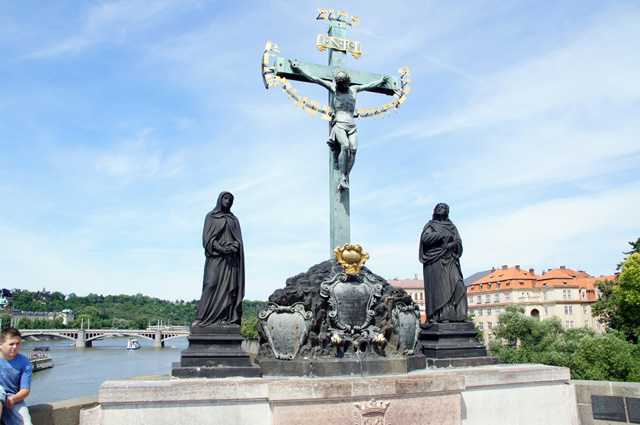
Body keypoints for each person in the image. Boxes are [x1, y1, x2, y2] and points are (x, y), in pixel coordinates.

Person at [290, 60, 389, 190]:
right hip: (340, 123)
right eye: (340, 83)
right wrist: (299, 69)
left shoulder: (354, 89)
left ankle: (345, 176)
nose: (342, 85)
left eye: (344, 82)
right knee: (345, 146)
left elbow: (369, 85)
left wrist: (380, 81)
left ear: (347, 81)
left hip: (351, 124)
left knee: (353, 150)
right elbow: (315, 78)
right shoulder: (334, 88)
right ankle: (341, 176)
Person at [192, 191, 245, 328]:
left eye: (230, 200)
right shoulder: (211, 217)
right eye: (225, 198)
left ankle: (225, 319)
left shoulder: (234, 219)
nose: (228, 201)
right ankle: (200, 319)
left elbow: (238, 240)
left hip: (230, 261)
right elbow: (207, 239)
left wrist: (234, 246)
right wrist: (221, 249)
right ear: (220, 200)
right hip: (216, 257)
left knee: (228, 290)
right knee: (210, 284)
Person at [419, 203, 468, 323]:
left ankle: (460, 316)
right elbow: (425, 238)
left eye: (443, 207)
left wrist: (453, 244)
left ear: (447, 211)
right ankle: (442, 316)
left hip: (450, 258)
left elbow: (459, 242)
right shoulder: (431, 225)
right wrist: (440, 235)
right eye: (438, 207)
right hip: (436, 260)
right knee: (441, 289)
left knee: (458, 284)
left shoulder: (452, 226)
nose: (440, 209)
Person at [0, 327, 32, 425]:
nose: (15, 347)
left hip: (14, 397)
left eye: (17, 344)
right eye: (11, 344)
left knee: (26, 422)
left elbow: (25, 390)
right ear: (0, 345)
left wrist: (13, 399)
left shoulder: (25, 362)